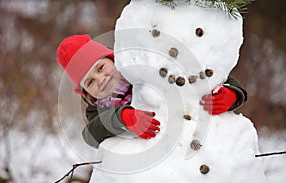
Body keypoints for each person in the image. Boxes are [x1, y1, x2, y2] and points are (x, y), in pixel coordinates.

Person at [56, 34, 247, 148]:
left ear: (113, 59)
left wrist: (233, 93)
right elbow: (90, 135)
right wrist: (123, 118)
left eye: (100, 68)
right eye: (90, 82)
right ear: (86, 93)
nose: (101, 80)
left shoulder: (143, 69)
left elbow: (198, 75)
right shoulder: (97, 109)